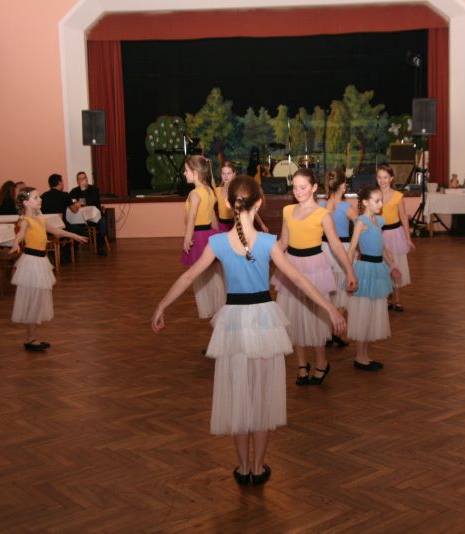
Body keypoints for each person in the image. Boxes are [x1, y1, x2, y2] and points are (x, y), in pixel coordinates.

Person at [151, 175, 345, 486]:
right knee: (262, 397)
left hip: (233, 323)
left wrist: (161, 305)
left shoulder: (218, 243)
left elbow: (188, 278)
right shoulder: (267, 243)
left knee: (239, 396)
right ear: (259, 204)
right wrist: (330, 309)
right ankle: (258, 466)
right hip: (265, 322)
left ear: (229, 205)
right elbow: (298, 280)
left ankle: (242, 468)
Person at [271, 168, 357, 386]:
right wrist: (263, 258)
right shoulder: (288, 210)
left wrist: (349, 271)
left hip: (315, 267)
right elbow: (283, 242)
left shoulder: (322, 214)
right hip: (292, 265)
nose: (298, 191)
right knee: (294, 317)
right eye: (295, 187)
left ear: (314, 187)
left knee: (316, 317)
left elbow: (335, 245)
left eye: (303, 187)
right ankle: (302, 364)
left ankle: (321, 362)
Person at [9, 187, 88, 352]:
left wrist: (74, 236)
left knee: (36, 302)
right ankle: (31, 339)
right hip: (31, 264)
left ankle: (32, 338)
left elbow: (56, 231)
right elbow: (21, 233)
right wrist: (16, 243)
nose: (40, 199)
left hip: (40, 261)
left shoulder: (39, 218)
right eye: (36, 197)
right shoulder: (25, 220)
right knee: (32, 301)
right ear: (26, 202)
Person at [346, 185, 401, 371]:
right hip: (366, 270)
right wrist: (349, 273)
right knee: (364, 312)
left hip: (378, 269)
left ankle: (364, 354)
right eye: (376, 201)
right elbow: (351, 249)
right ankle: (359, 356)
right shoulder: (361, 222)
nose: (380, 204)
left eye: (381, 201)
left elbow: (383, 247)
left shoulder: (378, 221)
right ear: (365, 203)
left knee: (371, 313)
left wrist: (393, 266)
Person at [182, 155, 225, 319]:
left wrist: (187, 237)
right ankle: (218, 307)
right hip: (209, 235)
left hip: (198, 236)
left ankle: (212, 309)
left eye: (186, 170)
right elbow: (213, 217)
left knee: (200, 275)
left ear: (195, 172)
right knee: (212, 275)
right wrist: (218, 235)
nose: (184, 174)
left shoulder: (194, 193)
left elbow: (192, 217)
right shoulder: (209, 190)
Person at [319, 168, 357, 348]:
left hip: (323, 248)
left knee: (327, 291)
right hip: (343, 248)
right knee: (342, 293)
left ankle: (327, 332)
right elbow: (361, 227)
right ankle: (336, 331)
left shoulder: (320, 205)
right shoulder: (346, 207)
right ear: (343, 186)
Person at [376, 164, 414, 311]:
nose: (382, 180)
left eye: (385, 177)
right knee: (384, 266)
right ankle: (386, 298)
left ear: (391, 179)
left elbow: (403, 217)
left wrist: (408, 238)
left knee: (396, 264)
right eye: (379, 177)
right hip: (380, 234)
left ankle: (397, 300)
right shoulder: (374, 194)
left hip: (395, 234)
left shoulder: (398, 196)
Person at [214, 161, 268, 233]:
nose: (226, 176)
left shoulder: (237, 191)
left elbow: (250, 208)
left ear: (233, 174)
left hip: (236, 225)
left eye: (228, 173)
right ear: (221, 175)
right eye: (223, 173)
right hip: (221, 226)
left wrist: (262, 224)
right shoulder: (217, 190)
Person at [68, 171, 108, 255]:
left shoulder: (94, 189)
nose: (83, 180)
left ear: (87, 179)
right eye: (80, 179)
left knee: (103, 224)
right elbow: (70, 203)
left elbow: (91, 202)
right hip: (80, 218)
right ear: (77, 181)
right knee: (72, 226)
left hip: (94, 217)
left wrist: (83, 191)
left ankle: (100, 245)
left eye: (84, 178)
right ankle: (74, 246)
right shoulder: (74, 191)